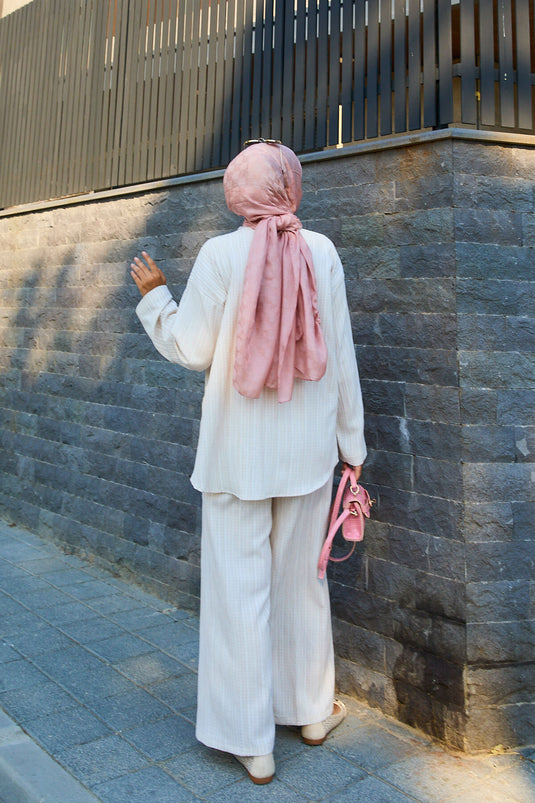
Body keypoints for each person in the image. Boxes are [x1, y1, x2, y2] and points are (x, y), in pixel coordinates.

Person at [130, 141, 366, 784]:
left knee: (240, 595)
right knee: (301, 586)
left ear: (238, 193)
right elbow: (341, 356)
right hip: (310, 455)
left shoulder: (219, 254)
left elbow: (193, 347)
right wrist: (355, 448)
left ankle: (251, 743)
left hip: (236, 459)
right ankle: (312, 712)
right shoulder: (322, 251)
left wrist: (156, 298)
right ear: (290, 187)